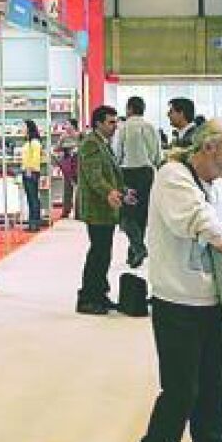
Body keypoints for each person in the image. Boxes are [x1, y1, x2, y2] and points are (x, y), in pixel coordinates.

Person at [136, 118, 222, 442]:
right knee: (181, 390)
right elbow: (195, 220)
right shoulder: (172, 177)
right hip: (176, 303)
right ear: (208, 148)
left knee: (215, 392)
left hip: (212, 302)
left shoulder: (219, 186)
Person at [74, 106, 124, 315]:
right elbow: (94, 176)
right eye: (111, 122)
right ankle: (87, 298)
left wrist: (121, 191)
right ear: (98, 124)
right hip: (97, 208)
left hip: (105, 207)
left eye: (115, 122)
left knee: (103, 253)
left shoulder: (103, 143)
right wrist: (109, 192)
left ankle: (99, 294)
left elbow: (110, 173)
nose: (115, 126)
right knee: (98, 253)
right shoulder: (91, 144)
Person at [112, 96, 163, 267]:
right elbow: (157, 154)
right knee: (141, 214)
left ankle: (139, 248)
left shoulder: (123, 128)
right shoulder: (151, 127)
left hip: (128, 173)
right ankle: (133, 253)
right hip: (146, 173)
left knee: (126, 215)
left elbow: (117, 153)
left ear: (129, 109)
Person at [20, 119, 46, 231]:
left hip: (31, 172)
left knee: (33, 198)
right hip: (27, 171)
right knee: (30, 198)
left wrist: (30, 170)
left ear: (29, 128)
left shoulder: (34, 142)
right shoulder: (28, 142)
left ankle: (35, 223)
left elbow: (36, 159)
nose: (22, 129)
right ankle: (32, 223)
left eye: (24, 127)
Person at [54, 125, 80, 220]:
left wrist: (75, 141)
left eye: (68, 125)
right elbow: (56, 149)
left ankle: (78, 213)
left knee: (79, 191)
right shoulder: (64, 137)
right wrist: (61, 141)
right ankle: (66, 211)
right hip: (67, 166)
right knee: (67, 189)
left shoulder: (80, 136)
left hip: (78, 165)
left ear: (74, 127)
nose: (66, 127)